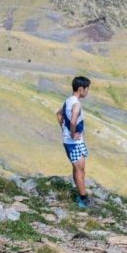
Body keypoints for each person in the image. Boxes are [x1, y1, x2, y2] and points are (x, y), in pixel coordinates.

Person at [57, 76, 91, 208]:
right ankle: (83, 199)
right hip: (73, 143)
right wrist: (71, 134)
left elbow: (59, 114)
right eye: (87, 89)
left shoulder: (68, 101)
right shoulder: (76, 104)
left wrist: (64, 130)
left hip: (74, 142)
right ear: (81, 89)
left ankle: (81, 194)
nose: (87, 92)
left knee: (80, 169)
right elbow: (72, 120)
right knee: (78, 170)